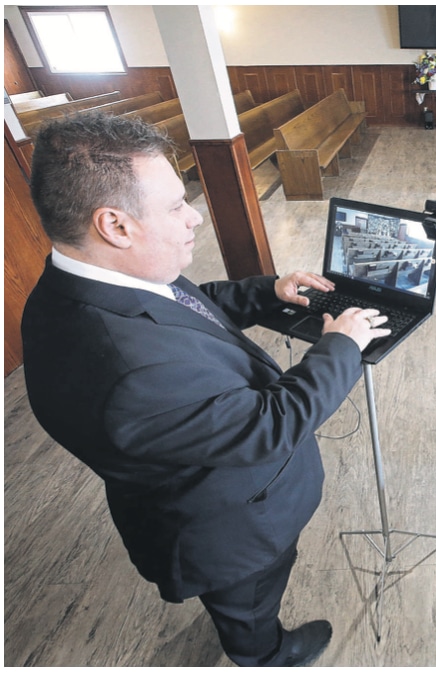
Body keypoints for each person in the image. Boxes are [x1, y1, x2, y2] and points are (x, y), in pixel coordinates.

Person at [20, 111, 391, 667]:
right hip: (228, 529)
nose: (193, 216)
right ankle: (261, 654)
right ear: (115, 225)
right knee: (249, 601)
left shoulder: (90, 279)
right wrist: (341, 343)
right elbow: (269, 427)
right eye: (174, 205)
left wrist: (271, 291)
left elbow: (188, 308)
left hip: (207, 487)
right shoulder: (126, 370)